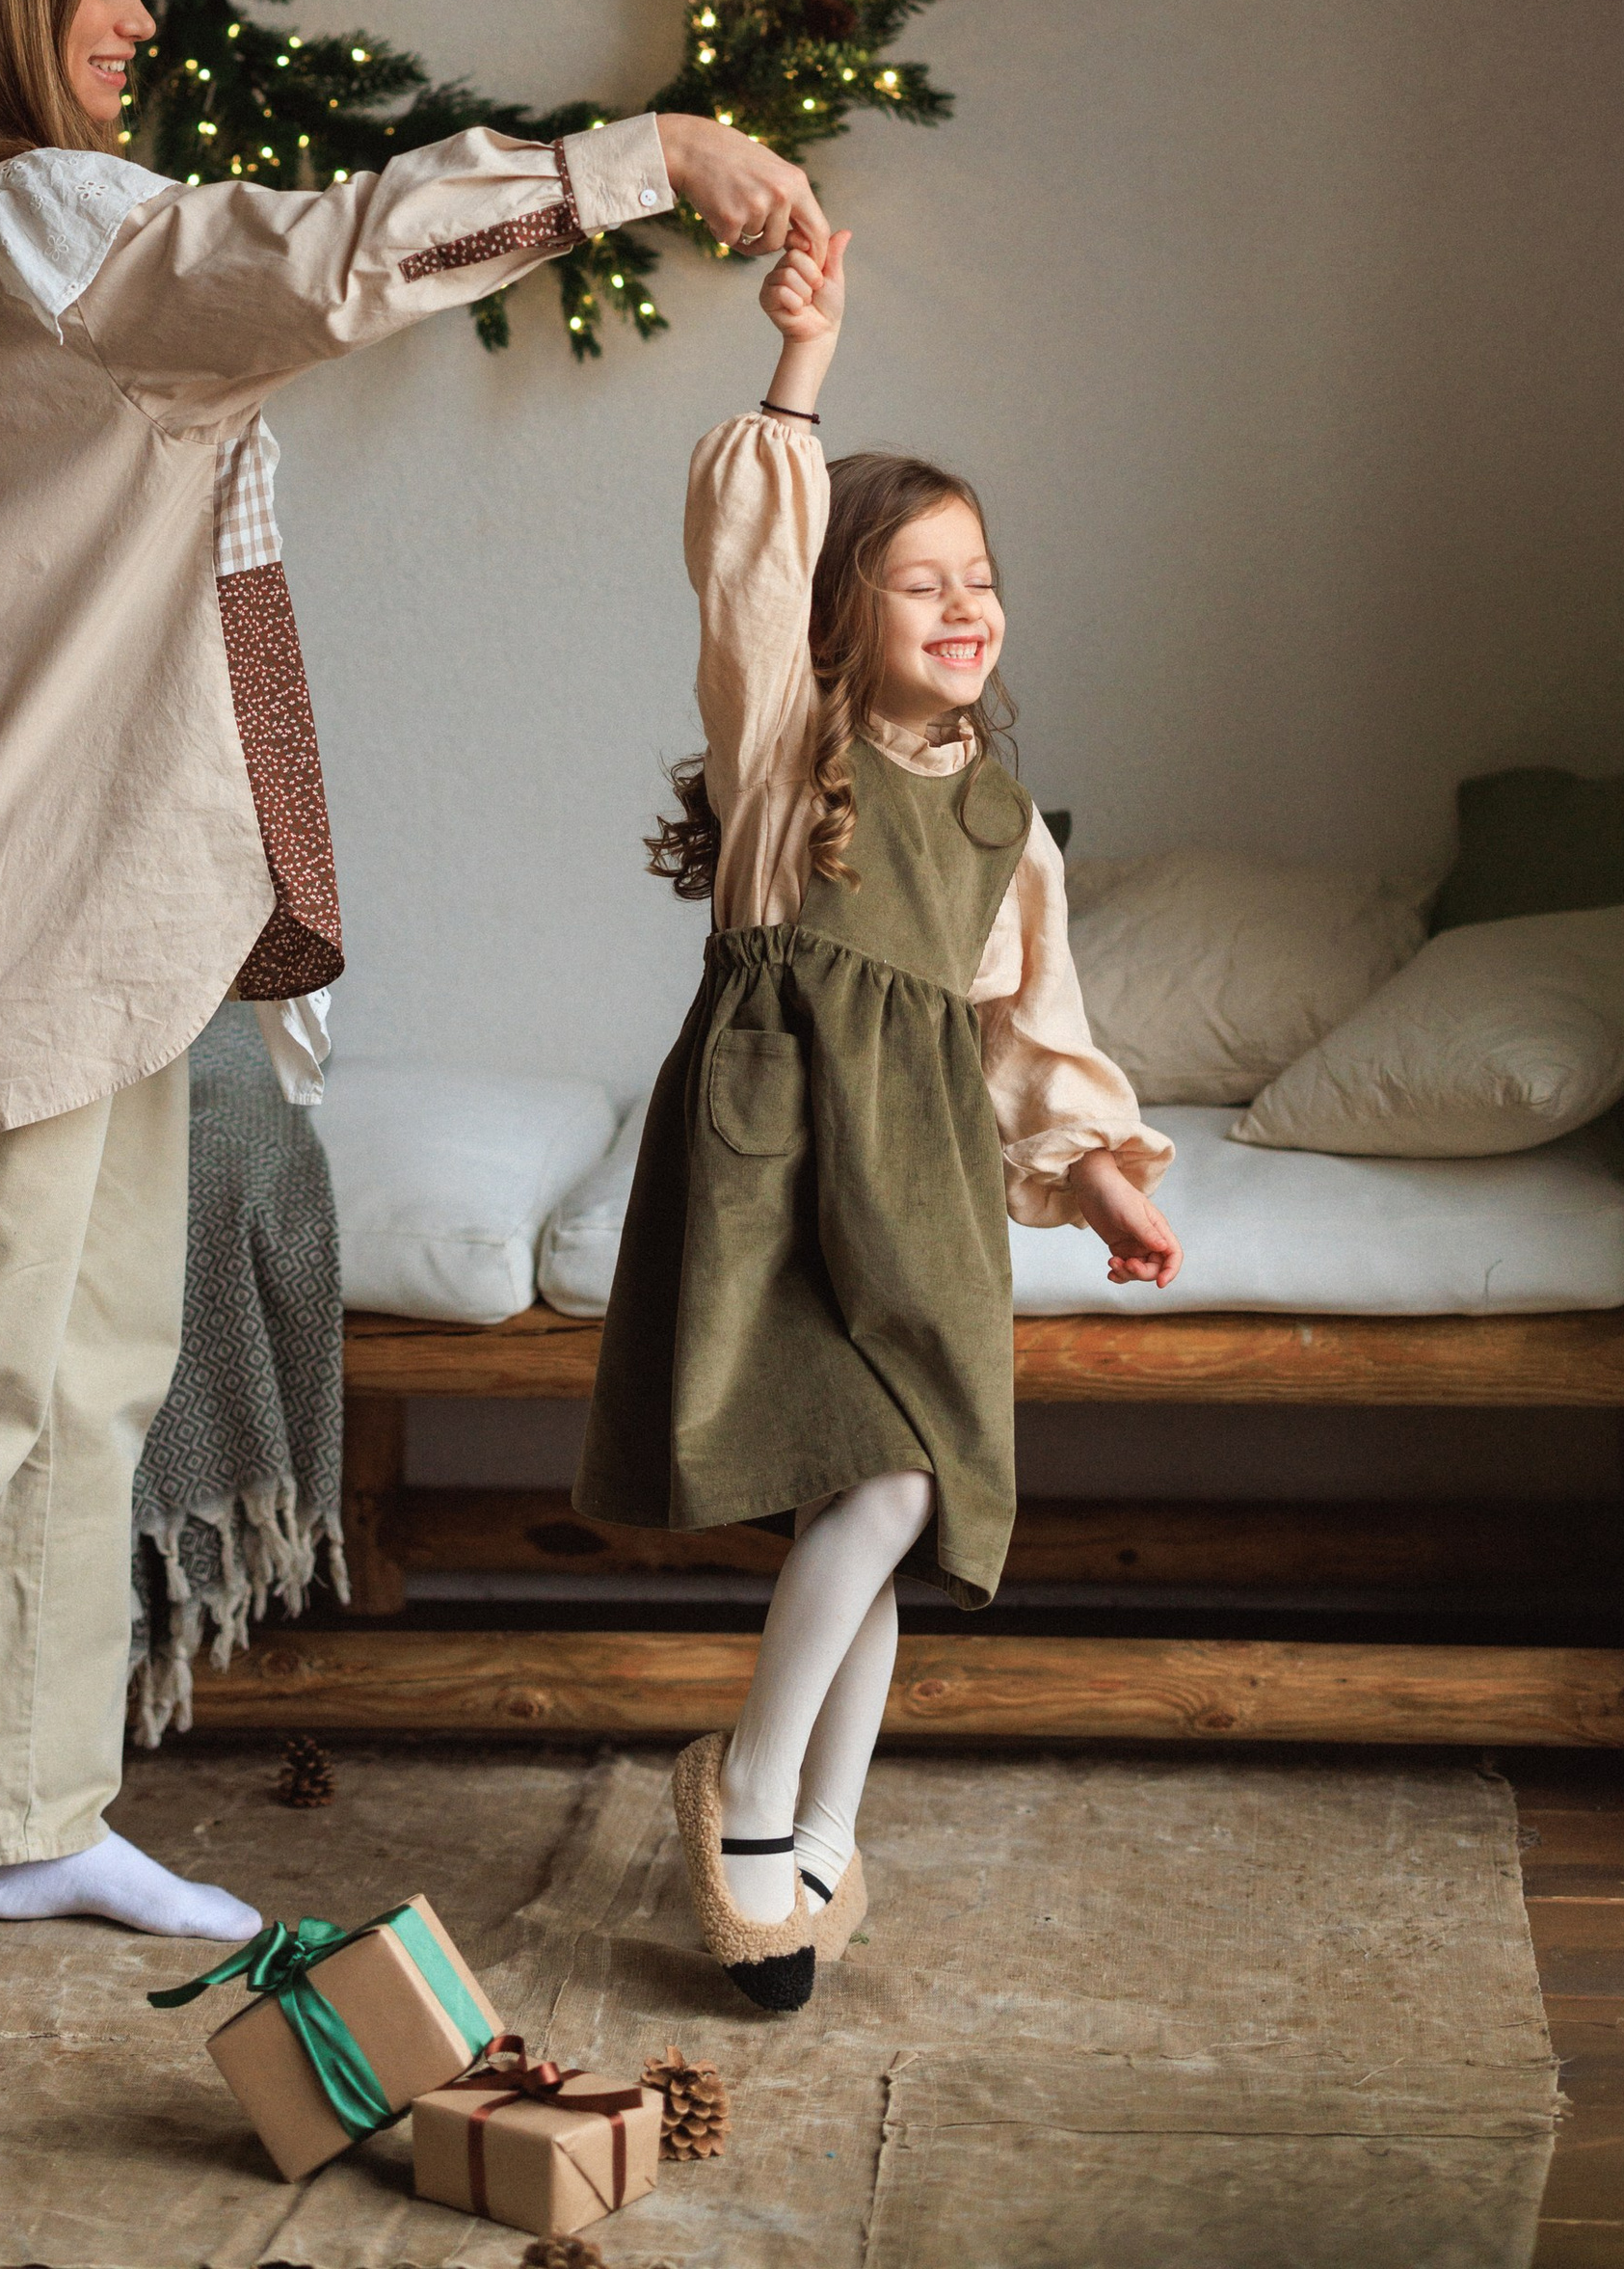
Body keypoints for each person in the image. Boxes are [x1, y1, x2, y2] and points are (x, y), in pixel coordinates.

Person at [0, 0, 826, 1990]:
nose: (133, 14)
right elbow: (298, 260)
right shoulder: (28, 221)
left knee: (87, 1357)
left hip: (95, 888)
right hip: (26, 890)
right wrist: (630, 153)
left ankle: (23, 1813)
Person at [575, 223, 1180, 2010]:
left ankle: (825, 1817)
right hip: (779, 1170)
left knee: (891, 1499)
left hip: (919, 1184)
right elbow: (744, 575)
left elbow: (1029, 1034)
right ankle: (751, 1784)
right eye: (918, 581)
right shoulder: (789, 762)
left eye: (978, 575)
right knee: (890, 1473)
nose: (966, 605)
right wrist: (801, 371)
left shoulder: (1005, 819)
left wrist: (1105, 1176)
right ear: (841, 611)